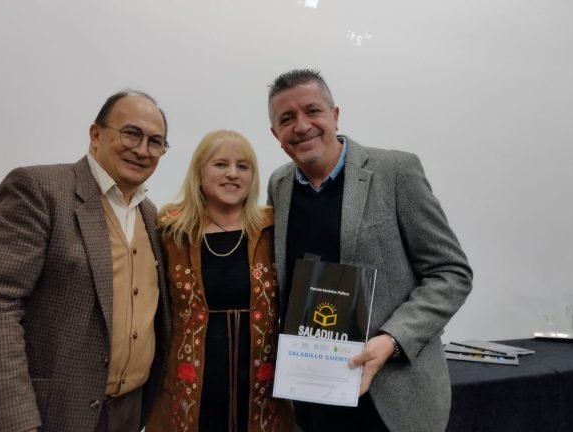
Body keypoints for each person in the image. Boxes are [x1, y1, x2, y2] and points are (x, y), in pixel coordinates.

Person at [266, 69, 473, 432]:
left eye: (312, 111)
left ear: (335, 115)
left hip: (390, 399)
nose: (301, 126)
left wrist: (392, 341)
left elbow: (451, 273)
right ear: (275, 134)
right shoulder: (279, 185)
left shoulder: (396, 172)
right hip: (312, 396)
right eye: (287, 119)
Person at [0, 90, 172, 432]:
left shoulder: (149, 214)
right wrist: (15, 423)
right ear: (96, 134)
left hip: (129, 413)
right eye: (131, 134)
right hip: (45, 416)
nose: (143, 149)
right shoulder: (40, 190)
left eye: (155, 142)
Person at [145, 130, 293, 432]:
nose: (232, 173)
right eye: (221, 164)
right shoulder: (171, 232)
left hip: (262, 396)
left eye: (243, 166)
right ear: (199, 174)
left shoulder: (274, 228)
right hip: (188, 394)